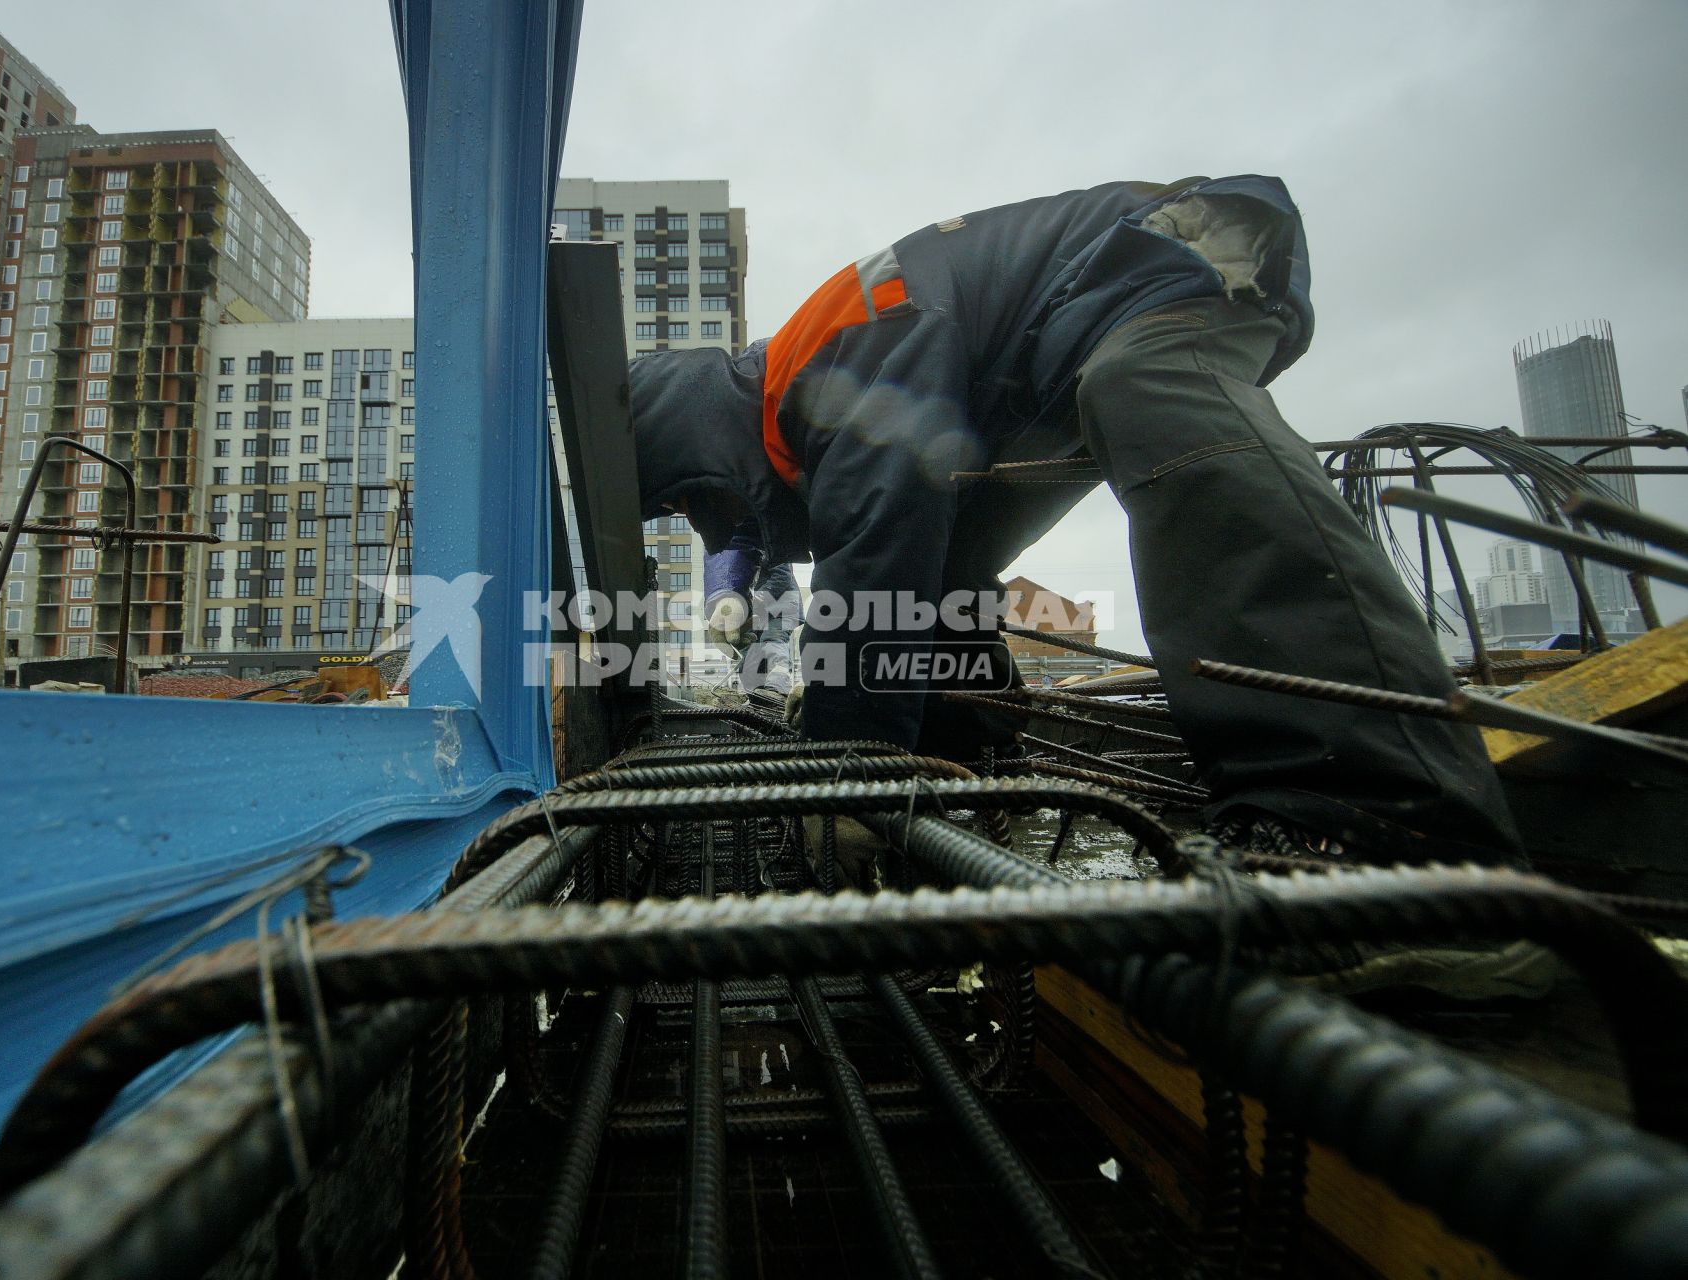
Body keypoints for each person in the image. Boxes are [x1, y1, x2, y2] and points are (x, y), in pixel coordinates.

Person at [628, 175, 1520, 862]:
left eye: (696, 494)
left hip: (1173, 258)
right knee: (947, 570)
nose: (713, 514)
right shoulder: (784, 416)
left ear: (702, 441)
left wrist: (839, 781)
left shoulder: (822, 366)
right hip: (1054, 355)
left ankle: (1375, 824)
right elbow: (893, 576)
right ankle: (967, 763)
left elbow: (873, 562)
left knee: (1142, 392)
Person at [702, 531, 802, 700]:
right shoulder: (743, 557)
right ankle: (755, 695)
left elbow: (782, 577)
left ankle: (778, 690)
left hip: (783, 607)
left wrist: (756, 601)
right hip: (761, 610)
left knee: (773, 640)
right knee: (750, 649)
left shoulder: (772, 546)